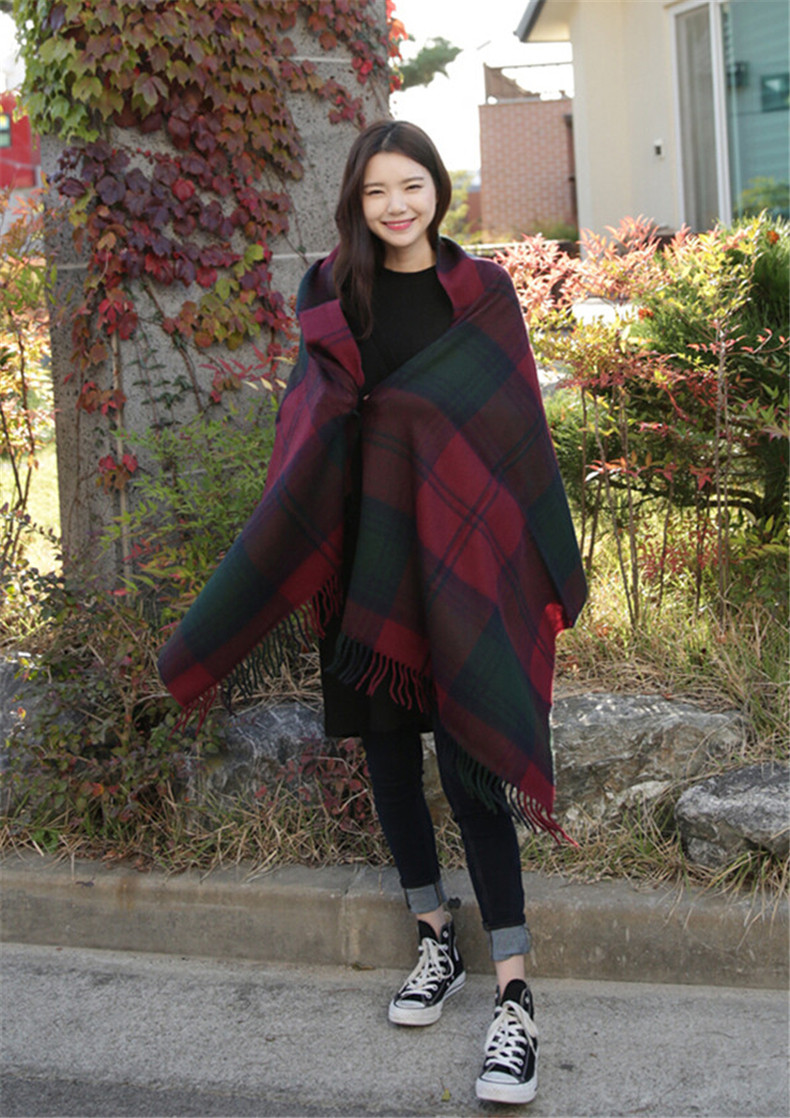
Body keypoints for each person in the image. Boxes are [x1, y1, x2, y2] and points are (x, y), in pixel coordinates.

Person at [158, 120, 586, 1106]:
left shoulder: (482, 296)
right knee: (389, 759)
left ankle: (515, 994)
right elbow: (304, 429)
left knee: (475, 772)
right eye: (376, 191)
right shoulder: (330, 293)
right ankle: (434, 936)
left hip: (461, 568)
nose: (396, 206)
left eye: (412, 186)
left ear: (438, 190)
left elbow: (513, 435)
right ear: (355, 201)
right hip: (365, 567)